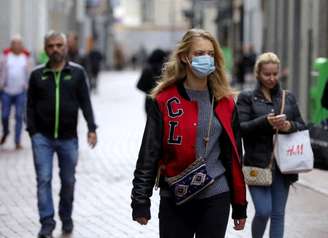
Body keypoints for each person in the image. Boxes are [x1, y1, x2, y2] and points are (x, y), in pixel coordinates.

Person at [131, 28, 247, 238]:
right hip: (175, 196)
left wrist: (240, 203)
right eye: (199, 54)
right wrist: (140, 200)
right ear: (185, 57)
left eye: (210, 54)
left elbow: (234, 156)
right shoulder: (164, 100)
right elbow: (149, 152)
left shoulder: (225, 102)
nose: (206, 59)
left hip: (216, 194)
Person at [26, 31, 97, 238]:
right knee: (44, 179)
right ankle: (47, 222)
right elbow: (29, 105)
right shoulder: (37, 74)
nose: (55, 49)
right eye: (51, 46)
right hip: (42, 138)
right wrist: (32, 131)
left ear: (65, 47)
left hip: (68, 138)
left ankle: (66, 216)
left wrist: (92, 128)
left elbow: (85, 102)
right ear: (45, 48)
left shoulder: (77, 73)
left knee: (68, 181)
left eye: (59, 45)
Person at [236, 52, 306, 238]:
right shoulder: (247, 98)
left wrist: (288, 125)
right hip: (256, 164)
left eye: (275, 74)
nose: (272, 78)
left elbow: (302, 125)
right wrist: (265, 122)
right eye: (267, 74)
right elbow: (240, 128)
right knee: (263, 211)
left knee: (278, 215)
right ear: (258, 73)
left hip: (284, 166)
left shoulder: (287, 97)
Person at [0, 35, 33, 149]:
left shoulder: (26, 58)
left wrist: (28, 86)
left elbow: (30, 74)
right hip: (6, 91)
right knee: (4, 115)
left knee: (19, 116)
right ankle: (5, 131)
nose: (17, 46)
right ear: (11, 45)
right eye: (14, 43)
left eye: (19, 44)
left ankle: (17, 141)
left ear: (22, 45)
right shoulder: (5, 57)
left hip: (21, 92)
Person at [136, 48, 167, 114]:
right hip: (164, 101)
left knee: (152, 122)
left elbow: (139, 85)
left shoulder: (147, 69)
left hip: (150, 101)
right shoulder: (165, 69)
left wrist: (150, 91)